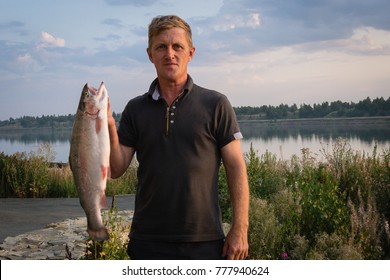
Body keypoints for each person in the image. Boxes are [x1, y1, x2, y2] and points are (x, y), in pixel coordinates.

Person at [107, 15, 249, 260]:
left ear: (191, 53)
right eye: (161, 47)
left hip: (204, 240)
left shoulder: (215, 103)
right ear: (150, 54)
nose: (169, 54)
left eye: (177, 47)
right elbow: (116, 168)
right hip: (147, 240)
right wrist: (109, 125)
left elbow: (236, 167)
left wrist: (240, 228)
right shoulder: (135, 108)